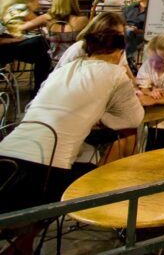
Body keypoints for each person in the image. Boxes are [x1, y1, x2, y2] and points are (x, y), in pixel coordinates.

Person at [0, 15, 143, 225]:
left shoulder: (66, 69)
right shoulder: (115, 73)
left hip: (7, 158)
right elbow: (133, 119)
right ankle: (105, 209)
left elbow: (33, 105)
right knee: (105, 159)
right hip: (47, 172)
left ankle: (23, 243)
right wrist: (99, 115)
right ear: (119, 52)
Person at [0, 0, 53, 91]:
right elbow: (39, 21)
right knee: (42, 46)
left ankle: (40, 89)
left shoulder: (7, 9)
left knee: (43, 53)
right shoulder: (19, 7)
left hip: (9, 45)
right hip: (6, 48)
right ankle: (40, 89)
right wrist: (13, 39)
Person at [20, 0, 90, 65]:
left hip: (54, 60)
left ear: (56, 2)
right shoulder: (83, 20)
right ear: (74, 3)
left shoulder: (47, 18)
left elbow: (22, 28)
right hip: (75, 60)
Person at [123, 0, 151, 69]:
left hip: (143, 35)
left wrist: (138, 31)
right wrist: (127, 27)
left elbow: (154, 28)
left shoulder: (153, 9)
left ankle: (127, 59)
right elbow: (121, 22)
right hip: (125, 34)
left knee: (129, 33)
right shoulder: (130, 8)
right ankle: (129, 60)